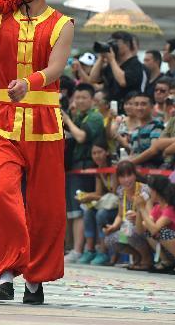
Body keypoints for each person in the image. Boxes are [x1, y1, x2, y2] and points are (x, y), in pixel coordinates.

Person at [0, 0, 74, 305]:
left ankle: (35, 280)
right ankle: (5, 273)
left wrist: (27, 84)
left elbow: (56, 70)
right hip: (3, 123)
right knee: (3, 194)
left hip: (46, 123)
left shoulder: (62, 25)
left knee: (46, 207)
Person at [62, 83, 107, 263]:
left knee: (81, 209)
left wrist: (68, 119)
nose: (80, 101)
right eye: (77, 97)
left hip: (87, 168)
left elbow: (81, 137)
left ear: (92, 100)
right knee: (74, 211)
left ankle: (79, 250)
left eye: (84, 98)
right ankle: (75, 248)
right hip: (74, 167)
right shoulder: (79, 116)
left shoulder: (94, 117)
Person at [103, 160, 153, 270]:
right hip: (128, 228)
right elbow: (120, 215)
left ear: (135, 175)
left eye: (129, 175)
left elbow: (150, 215)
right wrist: (113, 226)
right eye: (122, 176)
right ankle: (137, 255)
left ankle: (147, 258)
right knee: (109, 240)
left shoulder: (144, 189)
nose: (126, 180)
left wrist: (138, 216)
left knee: (129, 233)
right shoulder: (121, 191)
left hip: (144, 228)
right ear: (118, 178)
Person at [76, 142, 116, 266]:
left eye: (100, 152)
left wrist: (90, 196)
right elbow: (99, 193)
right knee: (88, 212)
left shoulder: (114, 168)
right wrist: (87, 196)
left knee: (101, 214)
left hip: (116, 206)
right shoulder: (98, 170)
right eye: (94, 153)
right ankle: (90, 250)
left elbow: (114, 192)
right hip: (106, 202)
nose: (97, 156)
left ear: (107, 152)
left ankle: (103, 251)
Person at [87, 31, 146, 107]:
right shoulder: (112, 64)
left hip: (129, 108)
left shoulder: (135, 64)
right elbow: (93, 79)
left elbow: (123, 81)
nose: (113, 46)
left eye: (116, 42)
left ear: (127, 44)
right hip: (110, 108)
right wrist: (101, 57)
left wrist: (111, 60)